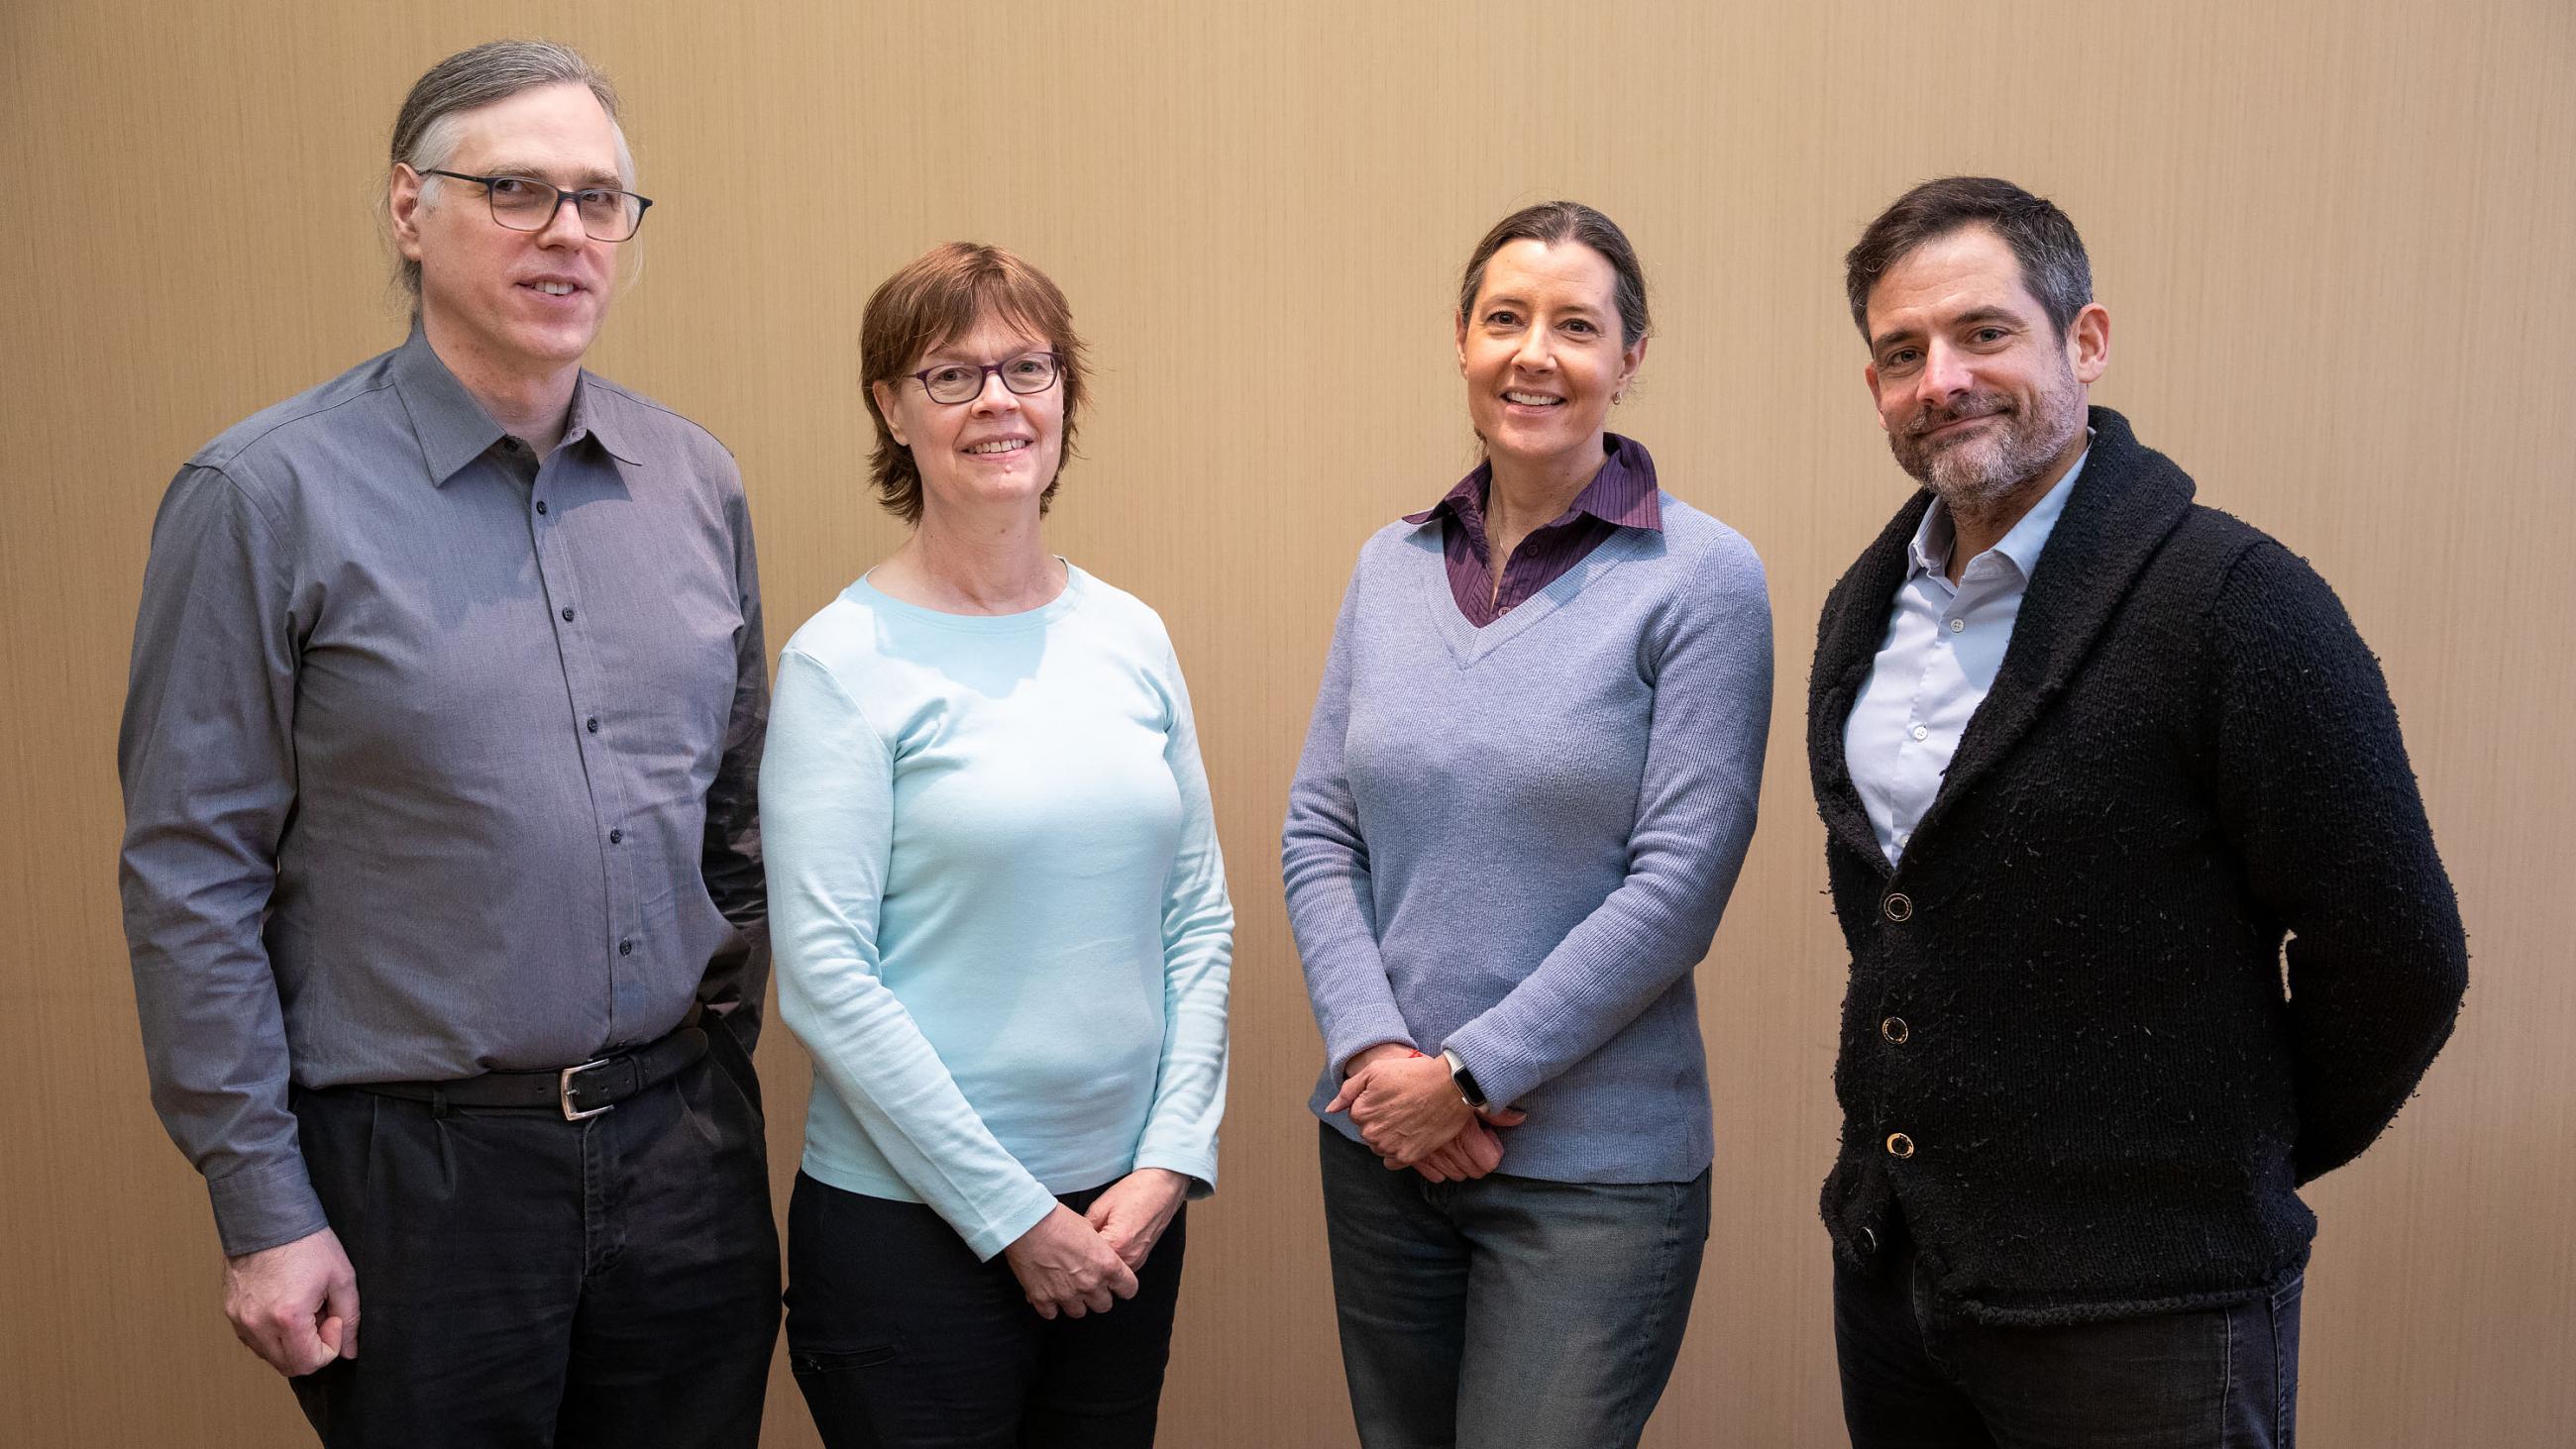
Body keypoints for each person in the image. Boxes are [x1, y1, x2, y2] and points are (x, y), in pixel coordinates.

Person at [117, 38, 779, 1448]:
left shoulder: (695, 483)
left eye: (601, 199)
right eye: (517, 188)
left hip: (681, 1155)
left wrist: (719, 1075)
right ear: (410, 211)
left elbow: (735, 815)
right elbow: (191, 876)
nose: (567, 231)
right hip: (418, 1180)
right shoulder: (260, 495)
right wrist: (263, 1205)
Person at [1810, 175, 2469, 1448]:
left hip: (2147, 1305)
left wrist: (2219, 1159)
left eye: (1982, 333)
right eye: (1901, 352)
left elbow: (2397, 953)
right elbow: (1903, 915)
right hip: (1900, 1279)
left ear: (2085, 341)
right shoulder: (1862, 603)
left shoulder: (2236, 601)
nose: (1939, 377)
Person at [1281, 200, 1772, 1449]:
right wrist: (1380, 1059)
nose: (1533, 353)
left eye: (1575, 325)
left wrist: (1469, 1075)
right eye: (1504, 318)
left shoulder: (1702, 580)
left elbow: (1679, 884)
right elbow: (1318, 834)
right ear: (1460, 340)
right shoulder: (1386, 567)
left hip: (1593, 1181)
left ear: (1629, 356)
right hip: (1383, 1142)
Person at [762, 242, 1233, 1449]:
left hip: (1125, 1219)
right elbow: (823, 974)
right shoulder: (840, 662)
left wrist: (1172, 1157)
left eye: (1027, 367)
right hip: (910, 1234)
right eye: (952, 374)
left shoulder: (1130, 633)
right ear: (889, 405)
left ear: (1065, 392)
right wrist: (1015, 1214)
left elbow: (1198, 917)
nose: (997, 403)